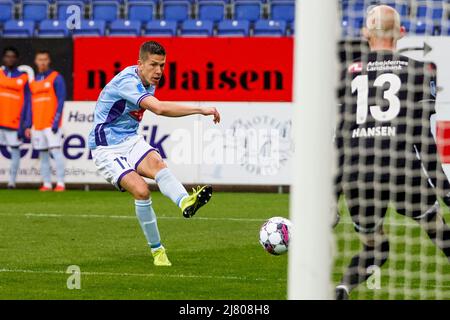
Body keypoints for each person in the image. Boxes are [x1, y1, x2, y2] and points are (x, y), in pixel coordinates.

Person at [335, 5, 450, 299]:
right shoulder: (417, 69)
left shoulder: (348, 73)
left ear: (364, 33)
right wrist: (444, 188)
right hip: (401, 168)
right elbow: (421, 136)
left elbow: (340, 140)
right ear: (401, 32)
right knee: (439, 230)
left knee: (375, 247)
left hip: (358, 174)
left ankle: (343, 287)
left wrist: (332, 197)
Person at [88, 41, 220, 267]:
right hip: (106, 147)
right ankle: (158, 251)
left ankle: (185, 202)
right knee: (141, 191)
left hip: (130, 139)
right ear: (140, 64)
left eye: (162, 65)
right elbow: (158, 108)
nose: (159, 71)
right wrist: (200, 109)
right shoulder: (127, 82)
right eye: (153, 65)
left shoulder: (148, 80)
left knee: (158, 164)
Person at [24, 50, 67, 192]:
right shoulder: (34, 81)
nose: (42, 62)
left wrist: (56, 121)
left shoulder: (56, 78)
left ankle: (61, 183)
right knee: (42, 155)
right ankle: (47, 184)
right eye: (39, 59)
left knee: (56, 152)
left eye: (44, 59)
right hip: (38, 125)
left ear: (49, 61)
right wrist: (29, 124)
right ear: (35, 62)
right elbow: (30, 104)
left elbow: (61, 100)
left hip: (51, 124)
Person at [0, 47, 31, 189]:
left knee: (15, 152)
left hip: (14, 122)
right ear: (4, 58)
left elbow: (27, 101)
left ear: (17, 59)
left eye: (12, 56)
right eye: (7, 56)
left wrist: (26, 122)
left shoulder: (23, 78)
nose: (10, 59)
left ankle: (12, 182)